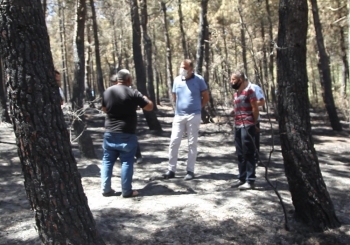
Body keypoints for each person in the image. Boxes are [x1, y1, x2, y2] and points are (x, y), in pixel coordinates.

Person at [100, 69, 153, 197]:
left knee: (107, 161)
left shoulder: (107, 91)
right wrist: (145, 98)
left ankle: (106, 189)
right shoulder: (132, 92)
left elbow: (104, 108)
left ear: (118, 79)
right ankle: (126, 191)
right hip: (127, 133)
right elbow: (149, 107)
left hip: (110, 132)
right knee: (127, 162)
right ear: (129, 79)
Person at [163, 59, 209, 180]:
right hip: (179, 115)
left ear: (191, 69)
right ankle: (171, 170)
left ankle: (190, 171)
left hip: (194, 115)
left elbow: (205, 96)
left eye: (185, 67)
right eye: (181, 67)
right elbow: (174, 95)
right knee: (174, 142)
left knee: (192, 143)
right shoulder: (177, 80)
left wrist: (198, 107)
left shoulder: (198, 79)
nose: (182, 69)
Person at [230, 71, 259, 190]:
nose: (231, 82)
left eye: (233, 80)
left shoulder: (250, 92)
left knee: (248, 152)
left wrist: (254, 123)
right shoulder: (236, 94)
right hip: (237, 125)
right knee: (240, 153)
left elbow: (255, 108)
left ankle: (250, 179)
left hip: (247, 125)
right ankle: (242, 178)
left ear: (240, 80)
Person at [250, 83, 265, 165]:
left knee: (254, 139)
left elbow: (262, 101)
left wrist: (250, 104)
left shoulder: (254, 87)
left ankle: (255, 159)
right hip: (241, 120)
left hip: (253, 118)